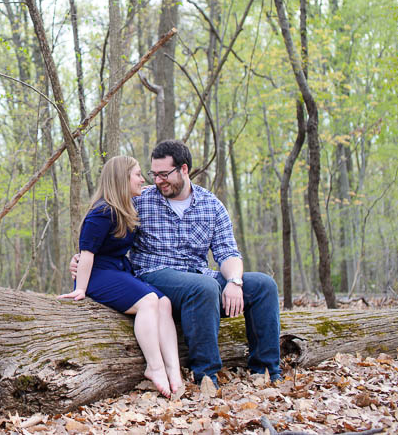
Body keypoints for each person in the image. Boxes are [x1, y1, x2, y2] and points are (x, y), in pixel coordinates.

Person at [72, 140, 281, 387]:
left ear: (184, 169)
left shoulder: (211, 205)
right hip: (155, 275)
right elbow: (103, 229)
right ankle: (206, 376)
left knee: (263, 285)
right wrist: (83, 259)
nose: (157, 181)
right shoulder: (141, 200)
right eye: (153, 174)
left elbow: (228, 253)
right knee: (203, 287)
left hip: (200, 277)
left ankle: (265, 371)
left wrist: (235, 281)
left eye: (164, 174)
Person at [58, 155, 183, 398]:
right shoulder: (102, 212)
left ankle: (173, 369)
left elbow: (146, 189)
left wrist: (145, 187)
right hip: (98, 274)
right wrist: (80, 288)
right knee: (148, 302)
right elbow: (87, 253)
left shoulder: (126, 205)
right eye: (137, 174)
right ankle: (154, 367)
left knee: (164, 302)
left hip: (118, 270)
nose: (143, 179)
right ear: (121, 178)